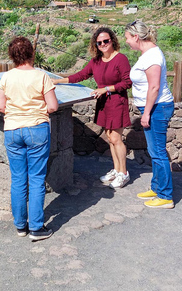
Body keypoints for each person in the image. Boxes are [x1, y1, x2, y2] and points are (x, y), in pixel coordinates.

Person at [52, 27, 132, 189]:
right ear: (95, 44)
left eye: (106, 41)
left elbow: (127, 82)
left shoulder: (121, 59)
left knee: (116, 139)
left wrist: (106, 89)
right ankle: (116, 170)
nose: (103, 44)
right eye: (99, 42)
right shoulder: (96, 61)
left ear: (112, 41)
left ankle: (124, 173)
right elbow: (80, 75)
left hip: (117, 102)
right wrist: (57, 81)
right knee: (110, 138)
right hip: (104, 104)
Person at [0, 37, 59, 241]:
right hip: (36, 129)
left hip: (13, 130)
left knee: (18, 179)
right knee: (37, 178)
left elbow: (0, 106)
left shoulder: (6, 77)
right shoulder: (41, 77)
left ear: (12, 56)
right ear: (32, 53)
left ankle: (20, 225)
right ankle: (37, 227)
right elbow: (53, 106)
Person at [124, 20, 175, 209]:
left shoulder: (152, 56)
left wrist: (146, 114)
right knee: (154, 152)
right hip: (154, 107)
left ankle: (165, 196)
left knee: (158, 152)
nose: (127, 42)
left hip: (157, 108)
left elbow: (154, 87)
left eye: (128, 38)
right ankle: (157, 187)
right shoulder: (148, 54)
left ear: (136, 37)